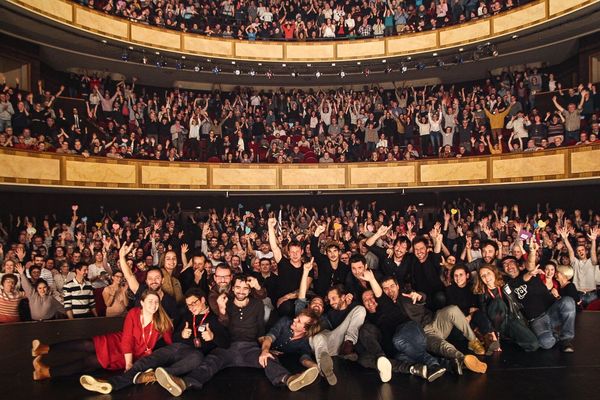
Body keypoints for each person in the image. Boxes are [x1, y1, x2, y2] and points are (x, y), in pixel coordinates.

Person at [153, 275, 321, 396]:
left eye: (245, 288)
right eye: (238, 287)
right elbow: (221, 327)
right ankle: (183, 383)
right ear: (233, 288)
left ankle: (289, 379)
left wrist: (265, 349)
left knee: (269, 360)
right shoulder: (223, 302)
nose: (241, 291)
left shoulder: (257, 305)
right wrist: (223, 310)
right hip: (228, 346)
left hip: (250, 347)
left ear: (249, 290)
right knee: (209, 363)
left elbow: (261, 331)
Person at [80, 288, 229, 394]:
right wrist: (182, 335)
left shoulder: (214, 319)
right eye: (188, 305)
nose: (191, 307)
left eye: (194, 303)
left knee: (197, 359)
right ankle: (111, 384)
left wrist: (213, 337)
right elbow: (174, 337)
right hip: (177, 347)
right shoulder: (187, 315)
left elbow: (226, 343)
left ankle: (154, 376)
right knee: (147, 361)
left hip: (194, 352)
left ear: (203, 300)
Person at [32, 289, 173, 380]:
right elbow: (127, 339)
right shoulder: (134, 313)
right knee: (86, 344)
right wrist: (129, 362)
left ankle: (45, 372)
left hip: (130, 355)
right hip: (120, 343)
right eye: (150, 301)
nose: (153, 305)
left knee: (89, 362)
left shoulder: (161, 322)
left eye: (156, 302)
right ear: (142, 302)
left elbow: (170, 344)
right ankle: (44, 348)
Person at [380, 276, 487, 375]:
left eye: (392, 286)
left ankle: (473, 341)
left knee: (453, 309)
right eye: (386, 288)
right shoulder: (387, 307)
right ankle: (464, 359)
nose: (390, 290)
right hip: (423, 333)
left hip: (435, 320)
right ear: (382, 291)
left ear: (397, 286)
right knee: (442, 345)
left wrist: (419, 296)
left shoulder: (406, 294)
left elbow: (421, 296)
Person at [359, 270, 446, 383]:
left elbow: (380, 294)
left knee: (398, 340)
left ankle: (433, 364)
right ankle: (443, 364)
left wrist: (371, 279)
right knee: (364, 359)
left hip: (411, 332)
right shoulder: (368, 320)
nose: (369, 301)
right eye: (365, 300)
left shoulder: (387, 305)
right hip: (400, 349)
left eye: (372, 297)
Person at [502, 238, 576, 352]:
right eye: (505, 265)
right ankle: (554, 333)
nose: (508, 266)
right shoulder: (508, 285)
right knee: (546, 343)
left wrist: (532, 251)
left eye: (511, 262)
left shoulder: (530, 272)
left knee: (568, 302)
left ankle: (566, 339)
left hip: (552, 310)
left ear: (518, 265)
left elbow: (530, 265)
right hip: (537, 319)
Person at [473, 263, 539, 352]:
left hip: (512, 320)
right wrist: (493, 338)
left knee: (534, 344)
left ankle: (509, 337)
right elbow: (484, 315)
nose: (486, 277)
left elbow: (519, 281)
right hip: (497, 323)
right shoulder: (482, 294)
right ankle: (502, 335)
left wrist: (530, 274)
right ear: (481, 279)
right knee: (498, 302)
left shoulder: (505, 283)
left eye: (488, 273)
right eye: (483, 276)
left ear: (494, 272)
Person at [446, 264, 499, 354]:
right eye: (455, 275)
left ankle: (491, 341)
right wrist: (468, 311)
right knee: (460, 335)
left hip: (472, 317)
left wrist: (470, 315)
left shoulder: (473, 287)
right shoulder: (449, 290)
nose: (458, 278)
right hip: (457, 321)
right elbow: (451, 310)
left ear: (467, 275)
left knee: (479, 315)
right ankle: (478, 339)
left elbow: (477, 307)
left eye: (461, 275)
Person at [119, 243, 178, 318]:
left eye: (157, 278)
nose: (154, 281)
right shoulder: (141, 291)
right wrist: (121, 257)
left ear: (162, 280)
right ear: (146, 281)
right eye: (150, 278)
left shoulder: (170, 301)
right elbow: (129, 276)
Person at [268, 217, 312, 317]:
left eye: (297, 252)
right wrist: (270, 227)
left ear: (302, 252)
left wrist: (288, 296)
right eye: (292, 252)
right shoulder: (283, 262)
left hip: (298, 299)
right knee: (288, 308)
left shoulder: (308, 267)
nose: (295, 254)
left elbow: (304, 290)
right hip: (282, 302)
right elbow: (274, 247)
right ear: (288, 253)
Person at [559, 226, 599, 307]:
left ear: (586, 251)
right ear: (577, 253)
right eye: (579, 251)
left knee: (594, 318)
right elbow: (570, 250)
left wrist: (594, 240)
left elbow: (593, 252)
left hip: (592, 295)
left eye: (582, 250)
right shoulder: (575, 262)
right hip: (579, 295)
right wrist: (565, 239)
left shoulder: (592, 262)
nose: (581, 252)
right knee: (580, 318)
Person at [311, 224, 350, 297]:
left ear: (339, 252)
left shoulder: (344, 267)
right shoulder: (322, 261)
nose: (332, 254)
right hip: (322, 297)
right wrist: (316, 234)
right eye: (330, 251)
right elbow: (314, 250)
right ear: (326, 253)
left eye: (335, 251)